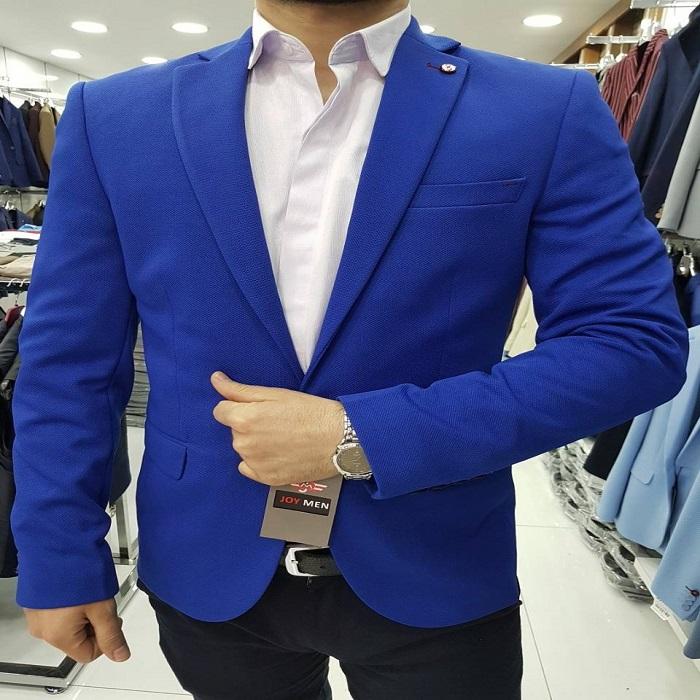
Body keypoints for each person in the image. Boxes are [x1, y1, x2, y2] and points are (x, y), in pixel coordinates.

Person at [11, 1, 689, 698]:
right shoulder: (116, 116)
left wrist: (361, 434)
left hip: (436, 561)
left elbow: (631, 343)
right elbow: (69, 364)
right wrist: (58, 554)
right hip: (207, 560)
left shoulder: (544, 108)